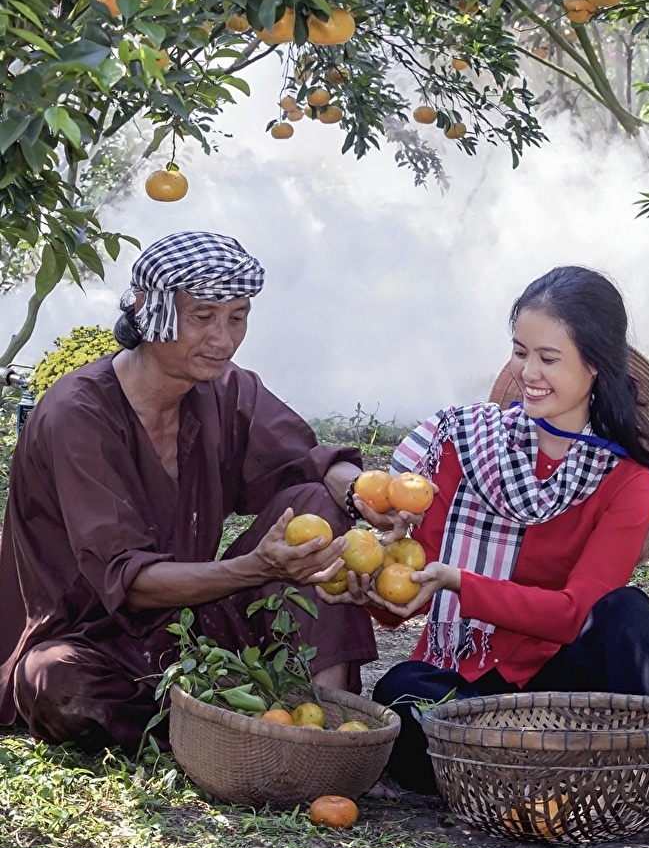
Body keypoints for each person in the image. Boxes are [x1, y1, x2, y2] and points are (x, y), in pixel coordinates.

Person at [0, 231, 379, 754]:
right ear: (150, 313)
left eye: (237, 317)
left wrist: (361, 495)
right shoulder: (78, 414)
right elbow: (128, 581)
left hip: (193, 628)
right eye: (203, 317)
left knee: (313, 503)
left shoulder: (229, 389)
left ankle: (324, 733)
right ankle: (216, 718)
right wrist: (258, 568)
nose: (222, 339)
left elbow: (303, 463)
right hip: (92, 641)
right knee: (56, 685)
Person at [323, 266, 649, 793]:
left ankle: (563, 768)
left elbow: (573, 615)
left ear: (597, 364)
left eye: (548, 358)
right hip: (474, 689)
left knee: (626, 614)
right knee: (403, 689)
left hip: (567, 689)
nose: (528, 372)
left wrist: (461, 584)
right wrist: (371, 588)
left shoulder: (629, 483)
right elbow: (414, 589)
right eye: (520, 352)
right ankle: (559, 774)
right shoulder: (468, 445)